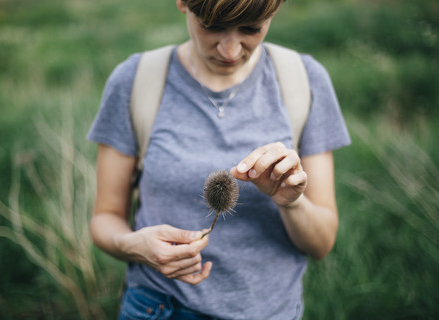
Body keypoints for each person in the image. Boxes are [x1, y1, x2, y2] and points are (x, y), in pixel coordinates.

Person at [87, 0, 351, 319]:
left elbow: (321, 245)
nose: (229, 51)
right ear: (183, 3)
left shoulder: (304, 82)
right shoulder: (135, 81)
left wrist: (291, 203)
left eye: (251, 29)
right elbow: (104, 218)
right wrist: (134, 246)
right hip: (157, 309)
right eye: (212, 27)